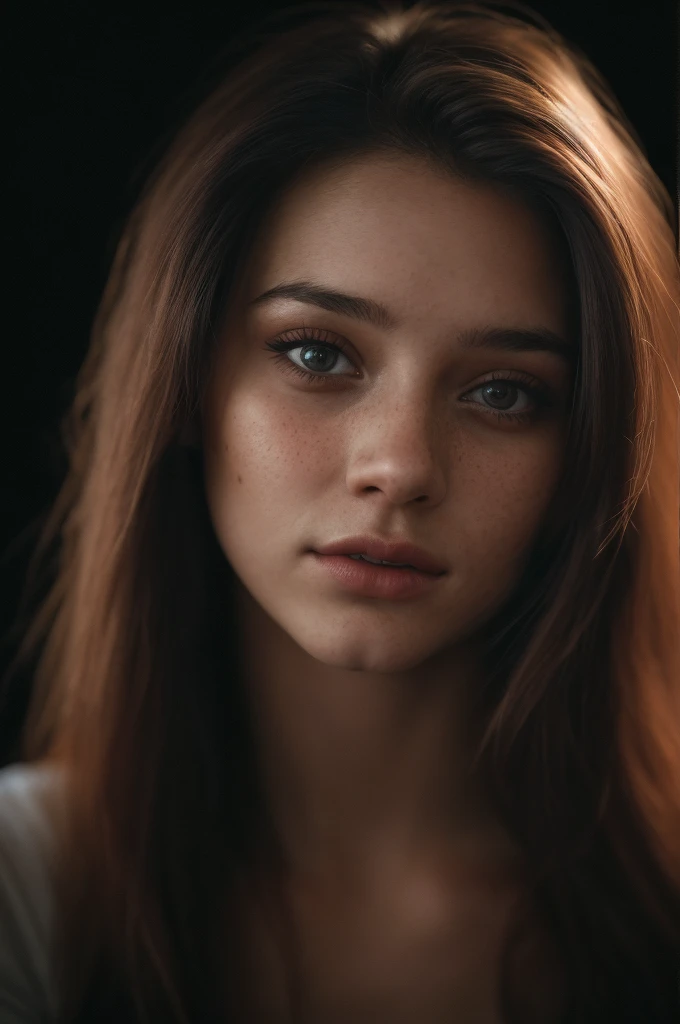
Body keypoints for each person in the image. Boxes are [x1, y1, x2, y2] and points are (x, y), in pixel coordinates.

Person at [1, 1, 678, 1021]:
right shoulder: (25, 895)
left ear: (589, 451)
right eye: (317, 353)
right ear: (185, 377)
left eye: (503, 392)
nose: (399, 465)